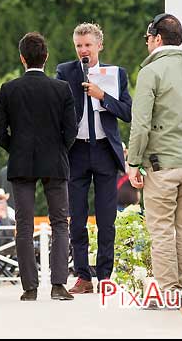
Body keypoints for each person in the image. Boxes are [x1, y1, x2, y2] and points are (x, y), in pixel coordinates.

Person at [126, 13, 182, 302]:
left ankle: (169, 293)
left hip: (161, 166)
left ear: (157, 38)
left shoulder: (151, 73)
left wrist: (133, 162)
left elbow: (141, 124)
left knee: (161, 229)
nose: (147, 43)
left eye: (147, 38)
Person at [0, 32, 77, 301]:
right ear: (46, 57)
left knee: (24, 225)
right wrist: (59, 149)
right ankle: (59, 285)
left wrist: (15, 148)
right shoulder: (62, 89)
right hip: (55, 160)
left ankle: (29, 288)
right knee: (60, 223)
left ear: (22, 58)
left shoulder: (9, 89)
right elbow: (71, 131)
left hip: (22, 161)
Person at [56, 22, 132, 294]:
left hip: (104, 150)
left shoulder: (116, 74)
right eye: (79, 46)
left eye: (88, 45)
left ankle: (106, 275)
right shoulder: (65, 72)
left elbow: (127, 111)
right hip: (76, 151)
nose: (83, 50)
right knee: (77, 216)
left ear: (100, 45)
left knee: (106, 218)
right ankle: (83, 276)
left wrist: (103, 97)